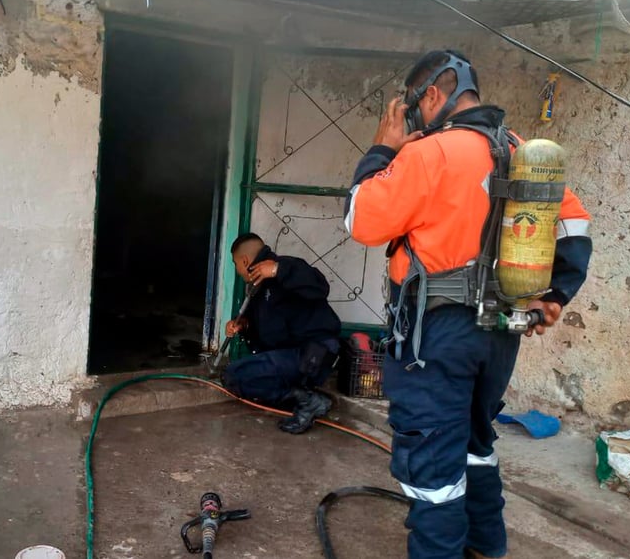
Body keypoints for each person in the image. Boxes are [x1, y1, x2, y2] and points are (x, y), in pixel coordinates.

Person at [345, 50, 592, 559]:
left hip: (435, 336)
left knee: (432, 465)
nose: (412, 122)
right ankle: (486, 547)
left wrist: (381, 150)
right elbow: (574, 225)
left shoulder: (428, 154)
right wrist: (555, 295)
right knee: (477, 444)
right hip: (500, 330)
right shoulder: (522, 150)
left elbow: (362, 223)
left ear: (432, 96)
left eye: (412, 109)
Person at [221, 233, 342, 434]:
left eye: (235, 264)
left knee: (234, 374)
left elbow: (320, 286)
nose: (237, 269)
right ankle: (304, 398)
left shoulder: (285, 266)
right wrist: (244, 325)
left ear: (244, 261)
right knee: (233, 376)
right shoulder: (257, 287)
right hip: (291, 357)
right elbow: (269, 328)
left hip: (314, 354)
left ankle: (308, 401)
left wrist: (278, 269)